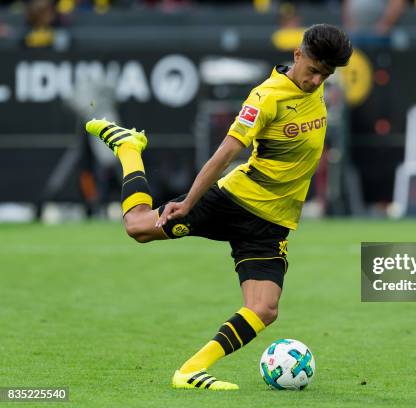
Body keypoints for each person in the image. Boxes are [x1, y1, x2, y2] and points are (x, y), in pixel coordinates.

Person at [84, 23, 352, 390]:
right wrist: (189, 201)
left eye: (326, 75)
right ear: (297, 56)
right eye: (313, 71)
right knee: (138, 228)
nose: (317, 81)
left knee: (264, 309)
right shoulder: (267, 97)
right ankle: (129, 149)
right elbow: (226, 152)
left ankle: (190, 371)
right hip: (234, 202)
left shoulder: (316, 91)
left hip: (272, 223)